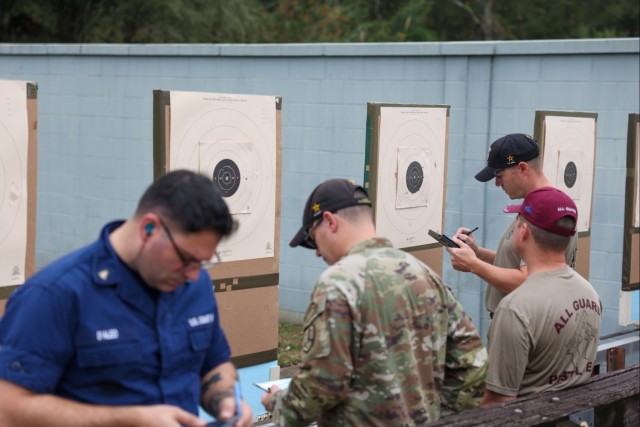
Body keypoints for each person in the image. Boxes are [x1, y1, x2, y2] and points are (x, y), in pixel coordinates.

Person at [0, 170, 252, 427]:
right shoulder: (54, 295)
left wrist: (226, 402)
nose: (193, 275)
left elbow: (214, 364)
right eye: (186, 259)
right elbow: (8, 409)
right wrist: (128, 420)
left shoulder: (193, 286)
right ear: (149, 229)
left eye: (203, 263)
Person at [261, 179, 488, 426]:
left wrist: (278, 402)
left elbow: (323, 383)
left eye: (313, 239)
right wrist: (430, 416)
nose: (316, 251)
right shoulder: (425, 274)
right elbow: (473, 365)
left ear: (329, 221)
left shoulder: (338, 283)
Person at [481, 187, 601, 405]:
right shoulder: (591, 295)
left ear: (523, 231)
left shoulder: (515, 308)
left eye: (517, 220)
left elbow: (498, 402)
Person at [447, 133, 578, 316]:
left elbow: (527, 280)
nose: (497, 183)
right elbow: (515, 263)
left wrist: (473, 265)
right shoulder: (539, 206)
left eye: (500, 175)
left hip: (524, 323)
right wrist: (476, 253)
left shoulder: (543, 212)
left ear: (523, 168)